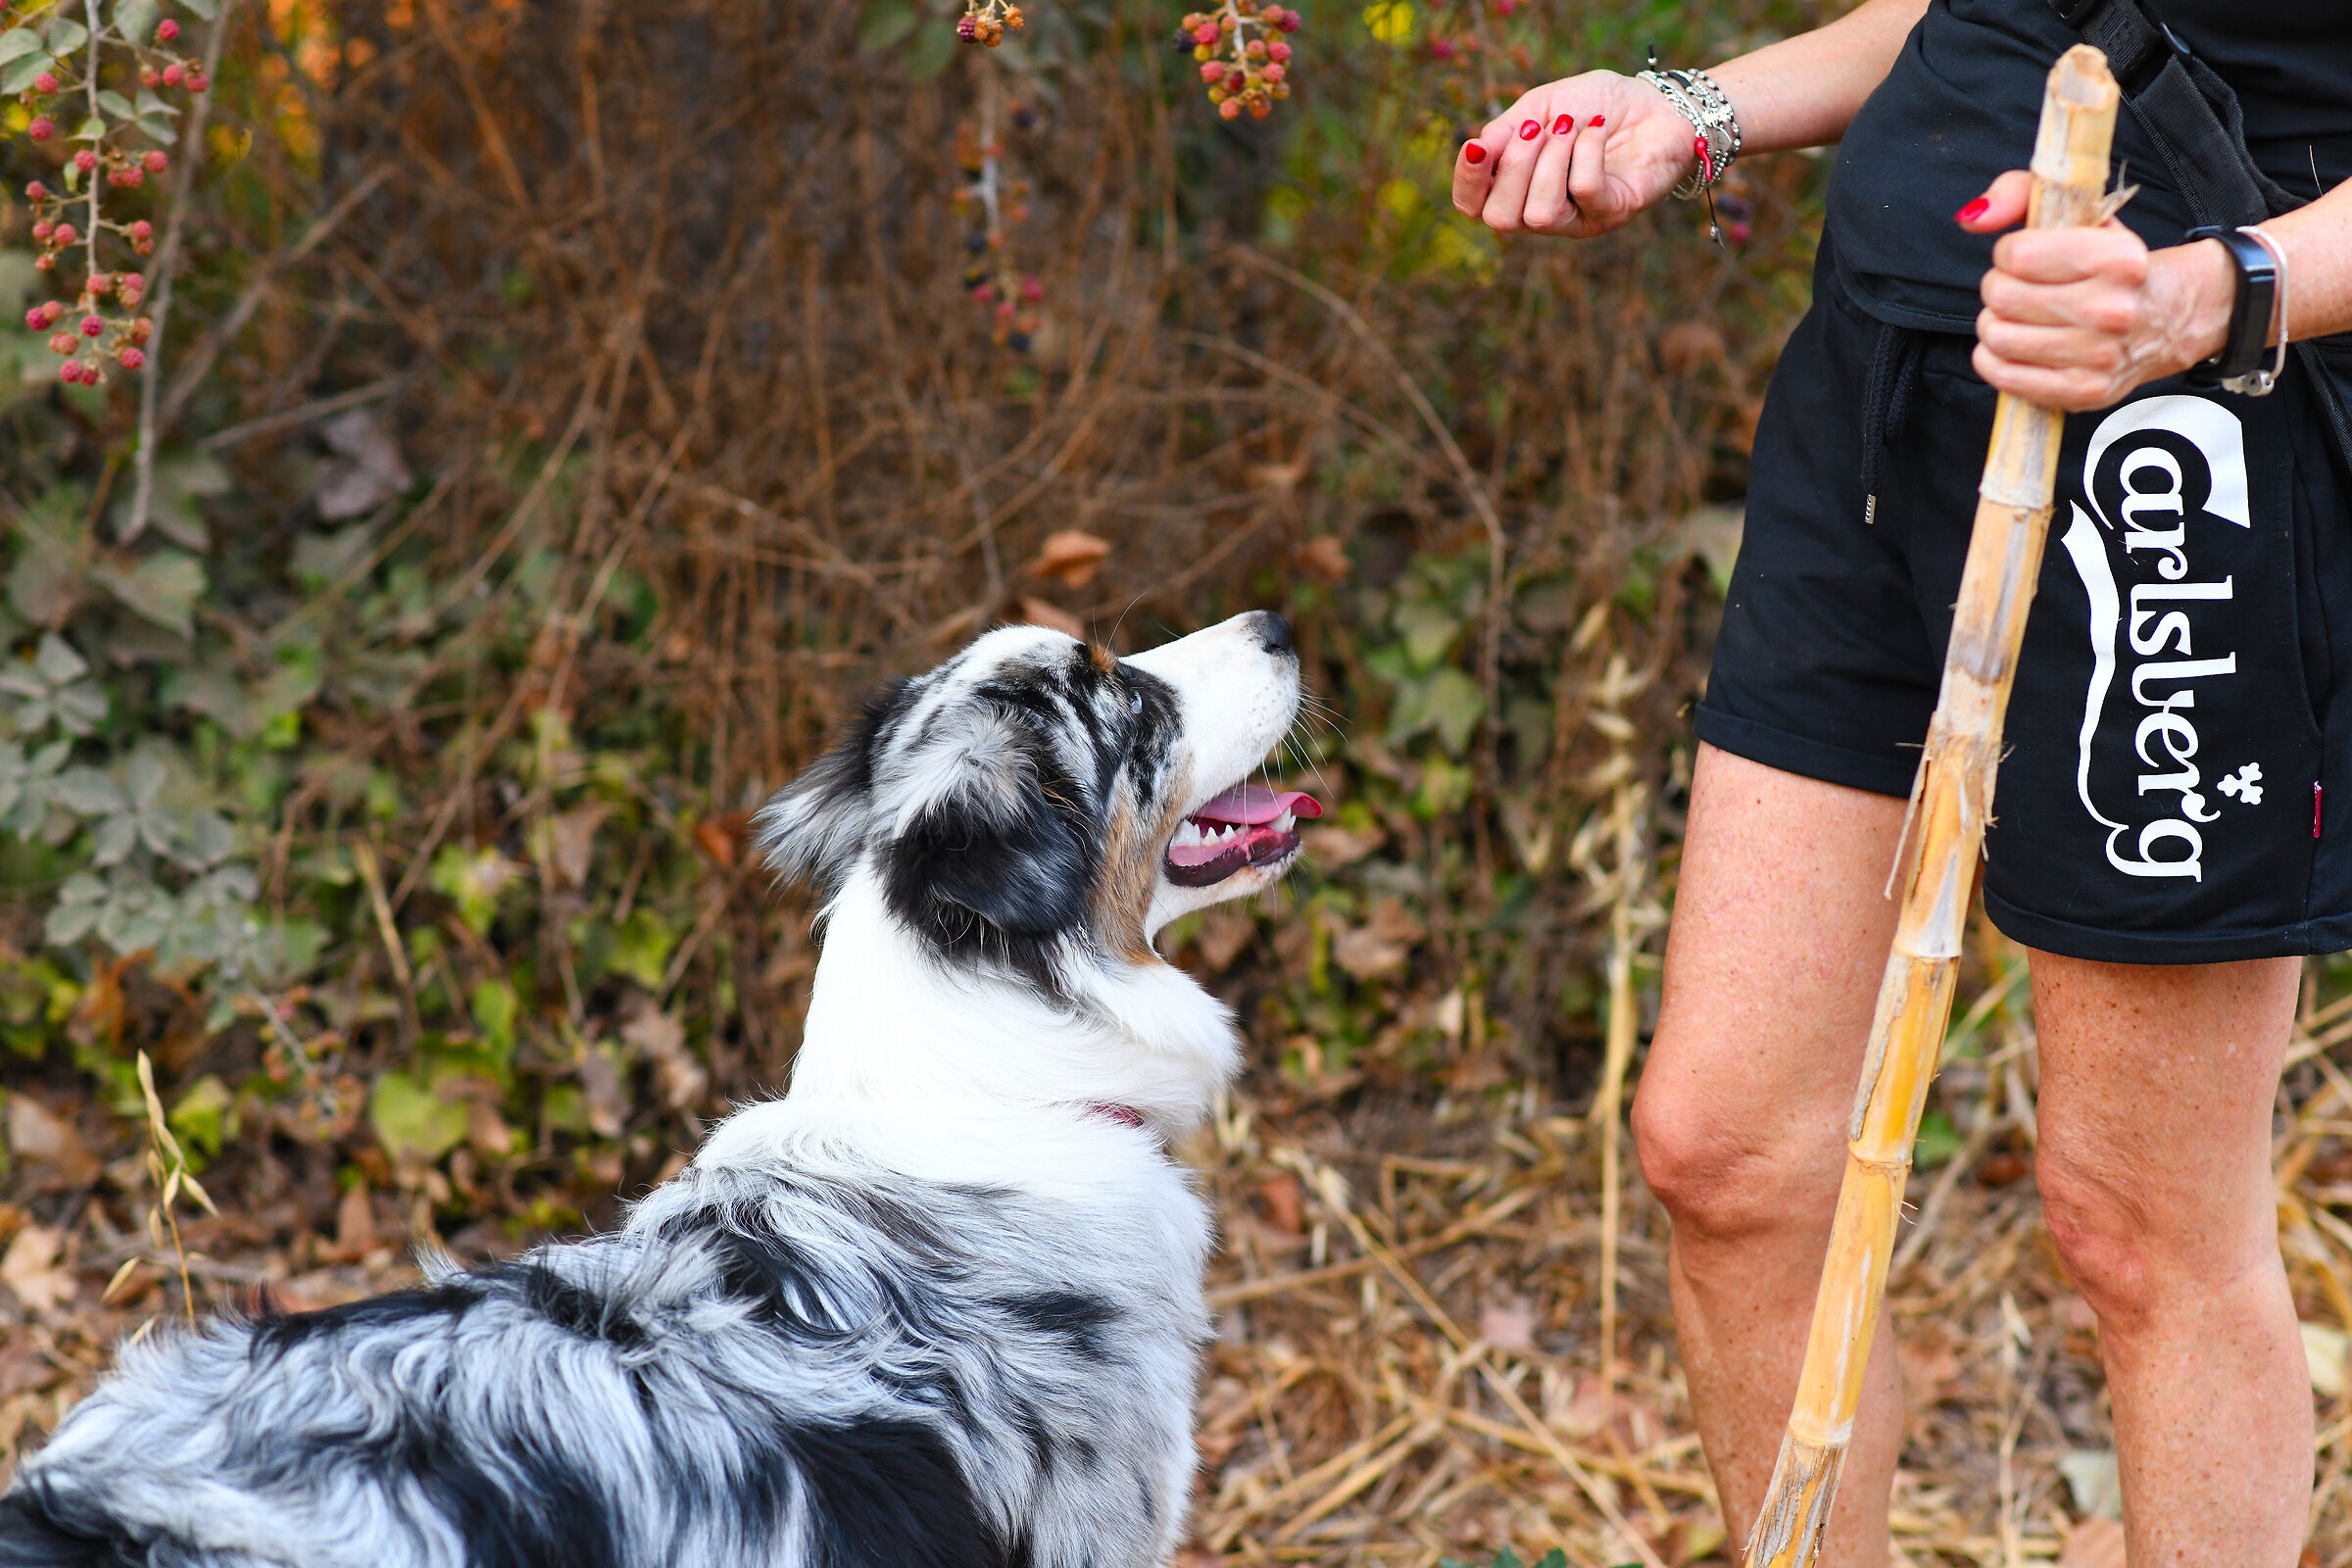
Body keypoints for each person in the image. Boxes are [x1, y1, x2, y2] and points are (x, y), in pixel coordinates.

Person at [1452, 2, 2352, 1563]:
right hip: (1878, 387)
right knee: (1722, 1154)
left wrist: (2222, 289)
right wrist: (1691, 110)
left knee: (2137, 1228)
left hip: (2184, 429)